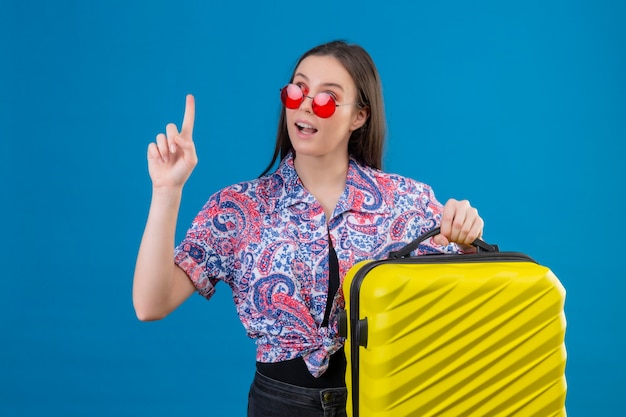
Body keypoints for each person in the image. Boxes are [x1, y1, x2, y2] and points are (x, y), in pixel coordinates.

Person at [133, 40, 484, 417]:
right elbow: (151, 304)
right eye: (298, 89)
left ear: (359, 117)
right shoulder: (240, 208)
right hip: (280, 405)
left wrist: (467, 241)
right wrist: (167, 190)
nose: (305, 104)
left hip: (385, 400)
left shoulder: (407, 201)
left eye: (326, 98)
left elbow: (465, 309)